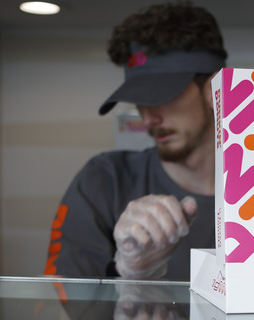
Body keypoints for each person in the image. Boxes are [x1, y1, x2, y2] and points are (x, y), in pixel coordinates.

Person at [44, 1, 227, 281]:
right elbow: (60, 319)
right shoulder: (104, 182)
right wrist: (128, 274)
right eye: (140, 101)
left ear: (214, 88)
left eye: (162, 96)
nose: (147, 119)